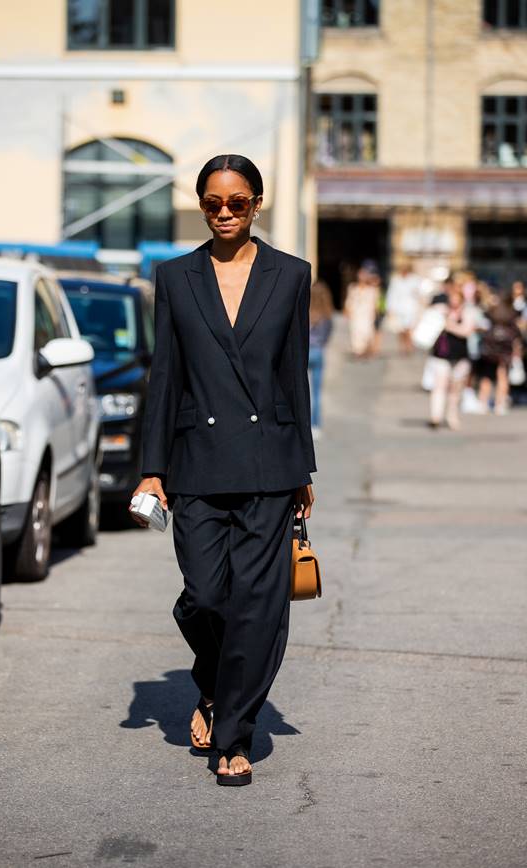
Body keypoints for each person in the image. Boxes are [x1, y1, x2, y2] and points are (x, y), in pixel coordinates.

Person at [130, 154, 316, 787]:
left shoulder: (291, 276)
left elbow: (295, 375)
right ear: (201, 204)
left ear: (257, 203)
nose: (226, 213)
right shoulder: (176, 277)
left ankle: (235, 734)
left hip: (270, 463)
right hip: (197, 463)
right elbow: (164, 378)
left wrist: (303, 470)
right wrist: (153, 470)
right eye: (213, 203)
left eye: (238, 202)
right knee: (208, 596)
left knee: (258, 605)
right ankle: (212, 679)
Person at [429, 286, 476, 430]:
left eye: (457, 299)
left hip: (460, 356)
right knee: (439, 386)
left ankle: (452, 417)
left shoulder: (467, 313)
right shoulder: (441, 311)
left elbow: (467, 331)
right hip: (441, 355)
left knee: (455, 390)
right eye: (452, 299)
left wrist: (451, 326)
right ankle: (435, 416)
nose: (454, 302)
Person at [475, 294, 523, 415]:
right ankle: (499, 404)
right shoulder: (511, 315)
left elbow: (482, 327)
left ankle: (483, 402)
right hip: (505, 351)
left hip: (490, 350)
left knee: (487, 377)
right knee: (502, 376)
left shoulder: (492, 313)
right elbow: (517, 335)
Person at [308, 279, 334, 439]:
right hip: (318, 351)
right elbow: (327, 336)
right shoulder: (326, 315)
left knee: (301, 391)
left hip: (303, 352)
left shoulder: (305, 310)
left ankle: (302, 422)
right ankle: (315, 425)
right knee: (317, 392)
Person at [344, 261, 380, 359]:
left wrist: (376, 313)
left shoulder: (372, 289)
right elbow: (349, 301)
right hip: (356, 314)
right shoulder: (352, 288)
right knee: (356, 332)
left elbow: (375, 303)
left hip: (367, 314)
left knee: (367, 333)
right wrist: (347, 310)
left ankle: (365, 350)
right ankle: (358, 351)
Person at [385, 262, 422, 354]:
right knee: (400, 329)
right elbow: (391, 294)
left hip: (411, 308)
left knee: (409, 328)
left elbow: (420, 293)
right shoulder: (395, 279)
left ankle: (409, 345)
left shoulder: (415, 279)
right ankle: (402, 346)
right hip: (398, 308)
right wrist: (390, 308)